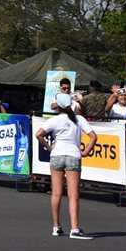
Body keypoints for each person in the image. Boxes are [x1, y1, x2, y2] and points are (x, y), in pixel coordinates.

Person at [35, 93, 97, 239]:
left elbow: (39, 134)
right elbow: (94, 137)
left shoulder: (54, 119)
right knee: (73, 195)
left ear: (58, 105)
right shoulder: (79, 119)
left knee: (56, 193)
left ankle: (56, 226)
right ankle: (74, 229)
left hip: (56, 154)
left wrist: (49, 147)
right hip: (73, 155)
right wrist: (85, 152)